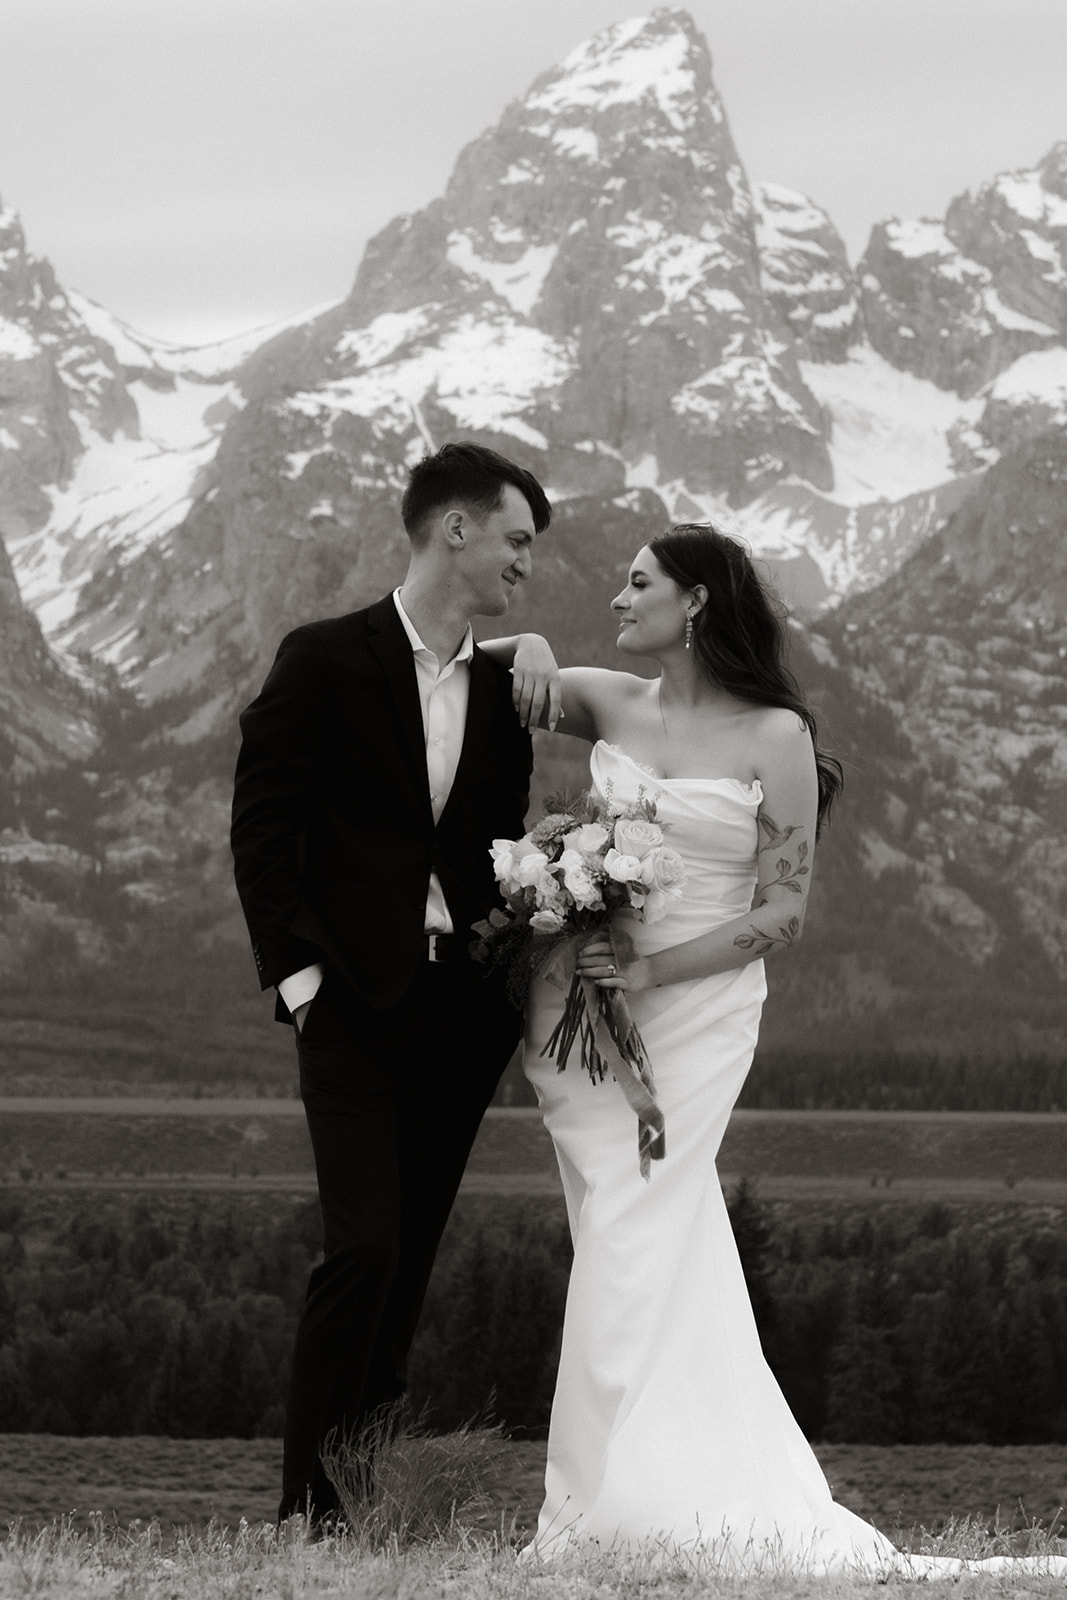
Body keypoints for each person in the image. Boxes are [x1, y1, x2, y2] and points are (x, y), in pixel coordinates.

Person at [498, 523, 1067, 1579]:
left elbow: (786, 913)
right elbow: (460, 663)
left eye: (636, 584)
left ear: (697, 601)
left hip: (696, 1005)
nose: (615, 602)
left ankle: (609, 1511)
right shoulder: (605, 699)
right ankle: (643, 1494)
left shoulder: (774, 736)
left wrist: (657, 973)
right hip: (578, 1010)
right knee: (629, 1232)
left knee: (634, 1228)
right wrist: (525, 640)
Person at [230, 440, 553, 1525]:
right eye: (515, 538)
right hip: (350, 1010)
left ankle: (357, 1507)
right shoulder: (321, 657)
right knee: (360, 1250)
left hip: (460, 1019)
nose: (524, 563)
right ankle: (302, 1514)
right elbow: (263, 830)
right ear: (452, 529)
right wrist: (302, 979)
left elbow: (497, 845)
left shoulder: (508, 681)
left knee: (406, 1266)